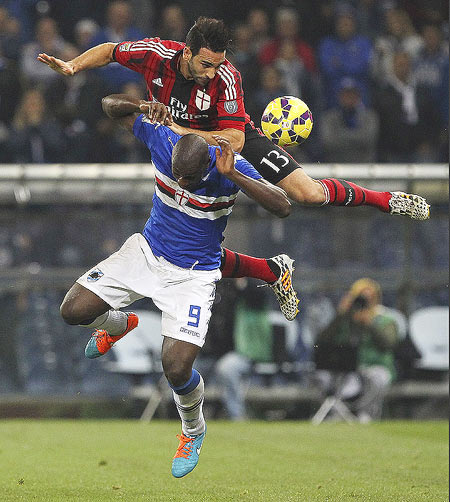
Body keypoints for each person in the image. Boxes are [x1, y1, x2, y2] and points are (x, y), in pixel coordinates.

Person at [37, 16, 430, 285]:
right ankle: (271, 272)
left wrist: (177, 127)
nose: (213, 72)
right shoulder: (156, 54)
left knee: (307, 193)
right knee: (187, 241)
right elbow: (109, 49)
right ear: (187, 52)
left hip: (230, 138)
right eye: (207, 64)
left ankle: (385, 199)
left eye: (219, 64)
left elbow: (236, 139)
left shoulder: (227, 79)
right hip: (185, 148)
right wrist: (73, 66)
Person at [59, 94, 291, 478]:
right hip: (147, 252)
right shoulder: (164, 138)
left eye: (190, 179)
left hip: (193, 276)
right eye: (176, 176)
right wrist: (141, 105)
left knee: (176, 368)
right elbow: (106, 104)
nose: (181, 184)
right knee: (72, 311)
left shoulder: (229, 164)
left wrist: (233, 175)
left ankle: (193, 430)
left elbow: (283, 204)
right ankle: (119, 325)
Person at [314, 278, 400, 422]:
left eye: (369, 298)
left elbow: (388, 344)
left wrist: (370, 324)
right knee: (325, 377)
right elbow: (322, 341)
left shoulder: (385, 318)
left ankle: (366, 415)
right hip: (348, 368)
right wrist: (341, 315)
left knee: (377, 377)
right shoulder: (346, 319)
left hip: (377, 366)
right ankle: (339, 414)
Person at [320, 77, 379, 163]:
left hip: (364, 167)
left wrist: (340, 135)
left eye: (352, 94)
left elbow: (368, 139)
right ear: (339, 96)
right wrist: (356, 138)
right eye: (346, 94)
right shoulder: (329, 118)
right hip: (336, 167)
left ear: (358, 96)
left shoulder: (369, 117)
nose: (349, 98)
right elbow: (329, 142)